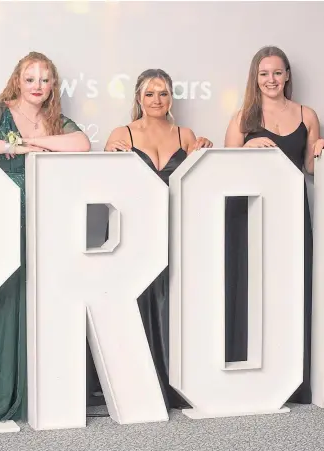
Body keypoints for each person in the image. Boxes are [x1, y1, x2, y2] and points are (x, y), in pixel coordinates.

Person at [0, 51, 90, 421]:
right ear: (18, 80)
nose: (38, 86)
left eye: (45, 80)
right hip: (4, 217)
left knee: (40, 300)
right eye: (31, 79)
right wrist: (13, 147)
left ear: (53, 85)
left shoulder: (54, 119)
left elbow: (82, 144)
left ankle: (37, 393)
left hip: (45, 219)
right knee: (3, 300)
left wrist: (41, 144)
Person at [88, 68, 212, 409]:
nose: (157, 100)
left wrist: (203, 151)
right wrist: (110, 157)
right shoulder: (122, 134)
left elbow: (200, 182)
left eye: (163, 93)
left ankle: (175, 378)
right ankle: (131, 382)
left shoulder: (186, 135)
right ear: (138, 99)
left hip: (173, 230)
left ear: (171, 98)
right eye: (150, 94)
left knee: (173, 301)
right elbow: (106, 186)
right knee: (134, 302)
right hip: (132, 232)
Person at [224, 45, 324, 404]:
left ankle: (290, 380)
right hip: (249, 215)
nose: (271, 79)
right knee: (250, 289)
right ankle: (245, 373)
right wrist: (249, 147)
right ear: (256, 77)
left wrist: (321, 149)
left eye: (277, 72)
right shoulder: (242, 118)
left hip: (291, 211)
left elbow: (311, 168)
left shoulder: (307, 114)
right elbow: (225, 170)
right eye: (264, 73)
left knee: (290, 289)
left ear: (287, 75)